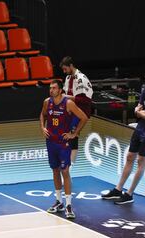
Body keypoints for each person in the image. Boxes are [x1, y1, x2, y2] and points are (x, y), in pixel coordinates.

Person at [102, 68, 145, 204]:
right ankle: (118, 189)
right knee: (130, 157)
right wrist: (144, 113)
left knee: (140, 161)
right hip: (140, 127)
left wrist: (141, 113)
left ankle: (129, 194)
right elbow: (139, 108)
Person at [40, 79, 88, 219]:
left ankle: (68, 205)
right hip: (51, 142)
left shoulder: (68, 103)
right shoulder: (46, 102)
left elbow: (83, 117)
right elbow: (42, 115)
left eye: (54, 88)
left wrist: (74, 133)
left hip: (63, 143)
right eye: (50, 88)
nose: (51, 90)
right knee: (55, 170)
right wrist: (42, 127)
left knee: (65, 171)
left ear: (60, 90)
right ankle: (59, 202)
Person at [60, 56, 93, 168]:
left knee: (73, 138)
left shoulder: (81, 78)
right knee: (65, 138)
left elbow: (86, 100)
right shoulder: (68, 78)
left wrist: (68, 97)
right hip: (70, 111)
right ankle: (66, 165)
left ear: (71, 66)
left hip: (80, 112)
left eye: (65, 69)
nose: (64, 72)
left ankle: (69, 168)